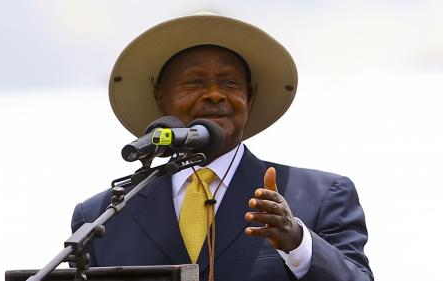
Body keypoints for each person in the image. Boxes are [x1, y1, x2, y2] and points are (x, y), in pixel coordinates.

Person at [71, 13, 373, 281]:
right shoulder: (101, 217)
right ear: (160, 97)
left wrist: (296, 241)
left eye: (229, 83)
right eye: (195, 83)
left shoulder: (321, 196)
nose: (214, 94)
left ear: (250, 97)